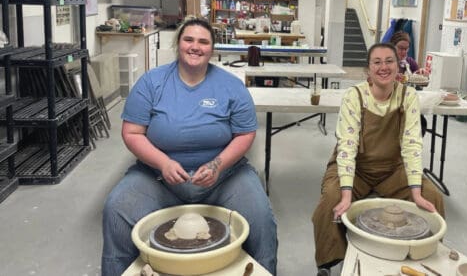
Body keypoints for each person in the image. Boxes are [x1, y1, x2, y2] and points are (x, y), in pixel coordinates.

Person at [101, 18, 278, 275]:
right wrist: (163, 162)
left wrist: (218, 164)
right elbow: (132, 132)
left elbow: (245, 133)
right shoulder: (152, 83)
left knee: (262, 219)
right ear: (178, 44)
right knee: (116, 211)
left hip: (225, 177)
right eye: (189, 40)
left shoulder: (231, 87)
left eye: (203, 41)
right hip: (158, 177)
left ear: (212, 49)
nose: (195, 47)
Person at [311, 43, 444, 276]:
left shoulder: (408, 96)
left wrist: (415, 191)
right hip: (357, 168)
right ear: (368, 70)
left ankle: (424, 257)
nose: (384, 67)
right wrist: (346, 193)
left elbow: (412, 145)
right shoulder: (355, 96)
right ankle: (329, 263)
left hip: (393, 169)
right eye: (377, 62)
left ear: (398, 66)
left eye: (389, 61)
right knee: (330, 202)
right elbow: (347, 147)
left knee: (432, 196)